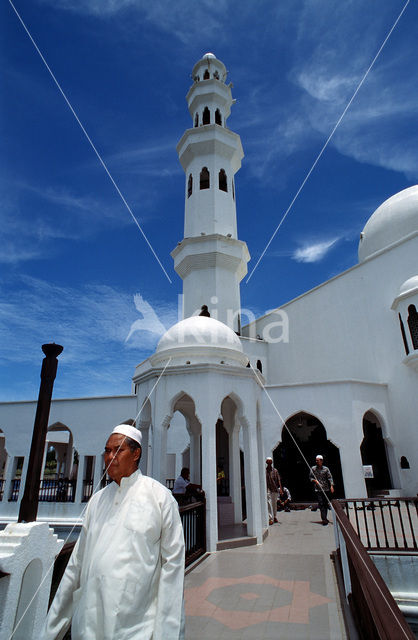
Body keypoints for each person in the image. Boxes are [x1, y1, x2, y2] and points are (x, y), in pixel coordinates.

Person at [43, 424, 185, 640]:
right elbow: (76, 567)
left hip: (136, 627)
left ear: (136, 453)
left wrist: (167, 633)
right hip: (89, 623)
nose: (110, 457)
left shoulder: (160, 498)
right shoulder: (97, 501)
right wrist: (50, 631)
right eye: (107, 451)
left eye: (118, 450)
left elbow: (172, 569)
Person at [309, 454, 334, 525]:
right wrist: (315, 481)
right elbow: (310, 477)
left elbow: (330, 478)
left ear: (321, 461)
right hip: (318, 489)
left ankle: (325, 517)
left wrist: (331, 486)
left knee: (325, 504)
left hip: (325, 489)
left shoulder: (326, 469)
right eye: (316, 460)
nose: (316, 462)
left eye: (318, 460)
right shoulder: (313, 468)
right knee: (321, 503)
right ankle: (324, 519)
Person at [266, 456, 282, 525]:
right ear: (266, 462)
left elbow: (278, 479)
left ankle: (275, 516)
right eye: (268, 462)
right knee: (269, 503)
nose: (269, 463)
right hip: (268, 489)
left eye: (270, 462)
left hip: (275, 489)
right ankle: (270, 518)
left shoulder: (275, 470)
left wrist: (280, 488)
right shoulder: (265, 471)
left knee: (274, 504)